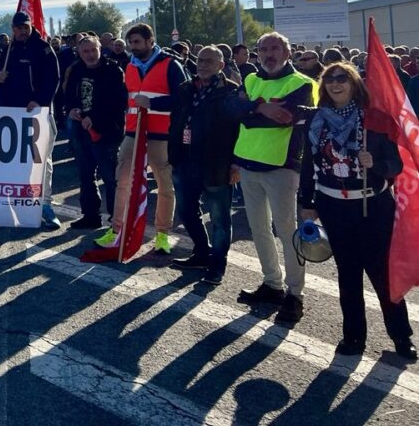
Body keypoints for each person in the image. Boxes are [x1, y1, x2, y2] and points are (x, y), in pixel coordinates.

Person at [298, 63, 415, 360]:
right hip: (333, 205)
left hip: (372, 206)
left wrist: (373, 162)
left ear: (354, 84)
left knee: (380, 272)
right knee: (348, 274)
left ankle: (401, 336)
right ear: (323, 85)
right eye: (330, 79)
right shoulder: (316, 120)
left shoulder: (373, 119)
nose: (336, 84)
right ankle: (353, 336)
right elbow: (308, 166)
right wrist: (306, 204)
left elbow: (396, 165)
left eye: (343, 79)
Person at [227, 31, 315, 323]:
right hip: (248, 164)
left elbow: (288, 117)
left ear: (288, 53)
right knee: (259, 229)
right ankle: (272, 283)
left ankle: (295, 293)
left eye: (275, 48)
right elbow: (232, 110)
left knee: (287, 230)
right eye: (264, 49)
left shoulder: (302, 83)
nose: (269, 54)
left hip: (282, 167)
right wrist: (261, 107)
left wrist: (250, 110)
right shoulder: (251, 79)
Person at [97, 24, 185, 253]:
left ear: (149, 41)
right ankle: (117, 229)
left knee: (164, 184)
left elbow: (183, 99)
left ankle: (162, 235)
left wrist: (155, 104)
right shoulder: (130, 67)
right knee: (122, 180)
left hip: (160, 134)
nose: (132, 47)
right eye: (130, 43)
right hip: (133, 132)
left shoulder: (171, 65)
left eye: (136, 42)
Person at [167, 46, 240, 285]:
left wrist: (236, 164)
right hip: (185, 161)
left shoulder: (231, 91)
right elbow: (176, 122)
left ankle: (217, 265)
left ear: (221, 65)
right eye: (200, 60)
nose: (203, 64)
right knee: (186, 212)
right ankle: (201, 252)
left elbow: (239, 131)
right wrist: (173, 155)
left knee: (220, 219)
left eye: (209, 61)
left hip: (216, 164)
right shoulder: (185, 88)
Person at [0, 12, 61, 228]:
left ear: (31, 26)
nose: (22, 31)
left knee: (42, 161)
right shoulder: (8, 50)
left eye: (25, 27)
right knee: (16, 161)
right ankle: (20, 202)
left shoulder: (42, 48)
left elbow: (53, 79)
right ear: (12, 29)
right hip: (14, 116)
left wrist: (40, 101)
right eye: (18, 28)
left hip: (38, 114)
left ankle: (45, 205)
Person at [61, 35, 127, 230]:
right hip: (81, 132)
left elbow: (119, 101)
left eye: (93, 50)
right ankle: (90, 216)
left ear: (100, 49)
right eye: (85, 51)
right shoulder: (75, 70)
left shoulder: (113, 70)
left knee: (110, 178)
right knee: (85, 175)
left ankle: (116, 220)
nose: (89, 55)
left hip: (106, 133)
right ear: (79, 53)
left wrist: (96, 117)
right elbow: (68, 95)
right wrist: (71, 109)